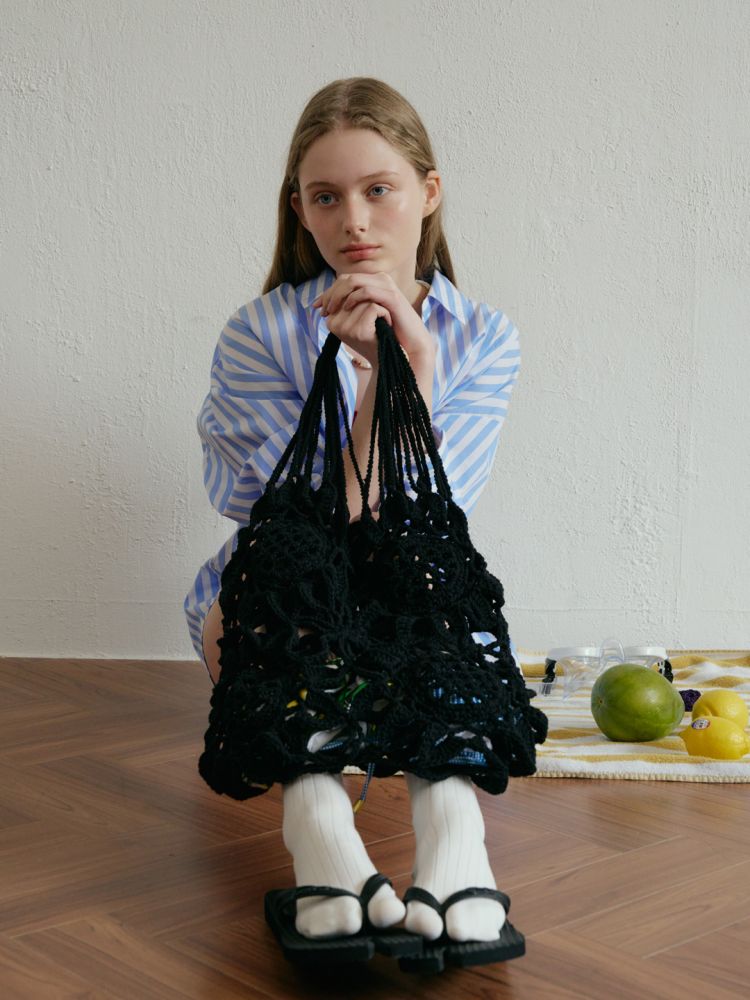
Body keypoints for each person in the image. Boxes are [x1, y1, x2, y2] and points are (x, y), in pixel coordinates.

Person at [184, 77, 530, 962]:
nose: (356, 222)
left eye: (380, 189)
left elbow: (429, 515)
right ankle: (321, 834)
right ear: (299, 209)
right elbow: (295, 530)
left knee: (427, 588)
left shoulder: (483, 337)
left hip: (414, 584)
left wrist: (412, 365)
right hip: (277, 588)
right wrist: (381, 382)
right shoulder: (261, 334)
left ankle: (454, 838)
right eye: (327, 197)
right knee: (284, 597)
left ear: (429, 191)